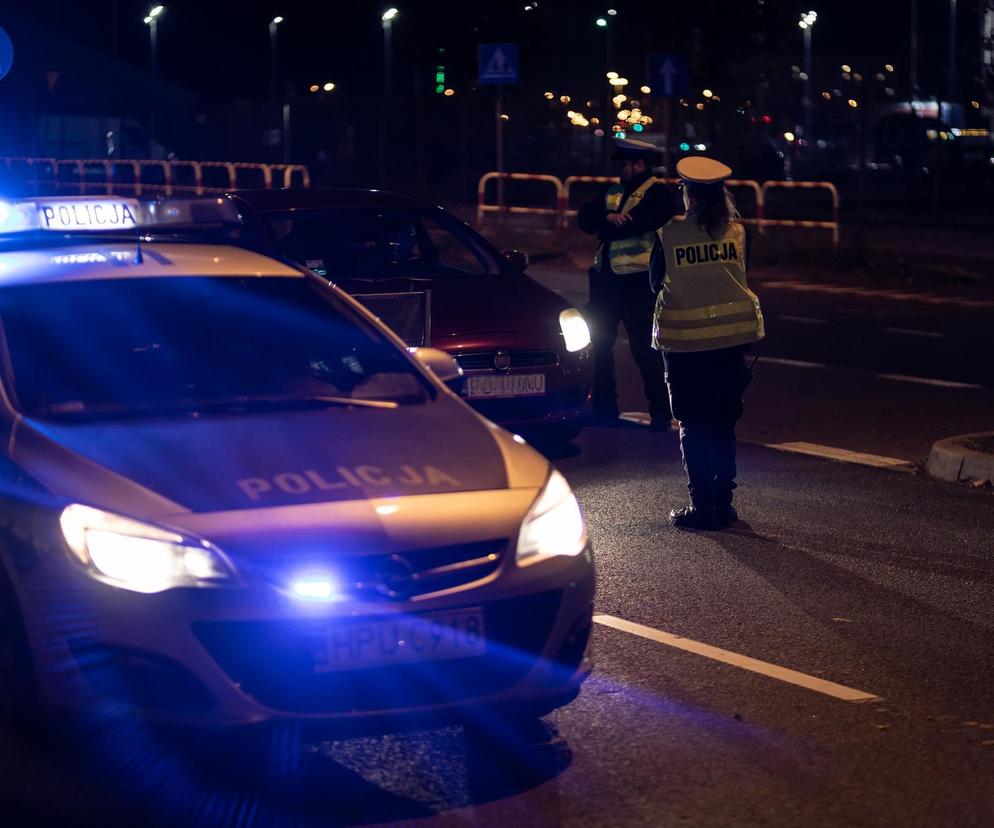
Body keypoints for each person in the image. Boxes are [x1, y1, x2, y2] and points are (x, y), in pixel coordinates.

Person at [649, 156, 765, 530]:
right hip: (731, 345)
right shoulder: (737, 231)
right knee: (722, 423)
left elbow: (655, 282)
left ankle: (702, 508)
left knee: (694, 425)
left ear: (688, 194)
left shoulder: (669, 233)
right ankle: (723, 504)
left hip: (685, 346)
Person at [578, 138, 676, 430]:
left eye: (625, 163)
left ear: (640, 164)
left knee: (645, 350)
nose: (621, 169)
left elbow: (644, 222)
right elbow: (585, 218)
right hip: (605, 283)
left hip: (638, 284)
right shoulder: (612, 191)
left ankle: (660, 414)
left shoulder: (658, 191)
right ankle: (604, 410)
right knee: (599, 346)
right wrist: (608, 219)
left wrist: (607, 223)